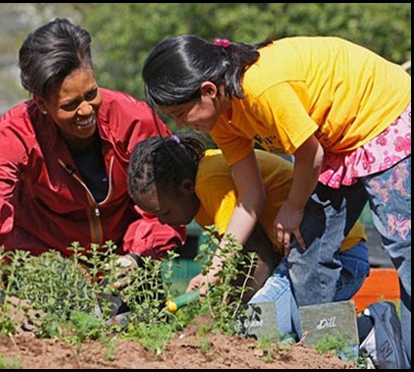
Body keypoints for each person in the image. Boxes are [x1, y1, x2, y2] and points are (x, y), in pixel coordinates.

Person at [141, 35, 410, 366]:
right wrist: (214, 271)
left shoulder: (260, 89)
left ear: (209, 90)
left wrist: (294, 207)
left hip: (386, 117)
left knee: (405, 251)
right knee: (308, 255)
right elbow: (249, 199)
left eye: (181, 112)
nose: (180, 125)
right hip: (337, 145)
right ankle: (329, 358)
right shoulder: (224, 120)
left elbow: (310, 153)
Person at [0, 18, 186, 311]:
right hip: (46, 270)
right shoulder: (16, 132)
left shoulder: (134, 120)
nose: (86, 111)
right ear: (42, 103)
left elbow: (170, 202)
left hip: (125, 269)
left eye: (91, 94)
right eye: (69, 105)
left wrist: (135, 257)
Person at [127, 132, 369, 343]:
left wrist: (215, 316)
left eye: (164, 212)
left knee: (253, 328)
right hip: (303, 261)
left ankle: (372, 332)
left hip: (338, 257)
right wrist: (216, 284)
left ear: (186, 186)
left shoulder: (209, 182)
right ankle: (364, 334)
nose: (162, 221)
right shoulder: (200, 185)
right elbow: (243, 260)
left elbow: (259, 261)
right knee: (272, 324)